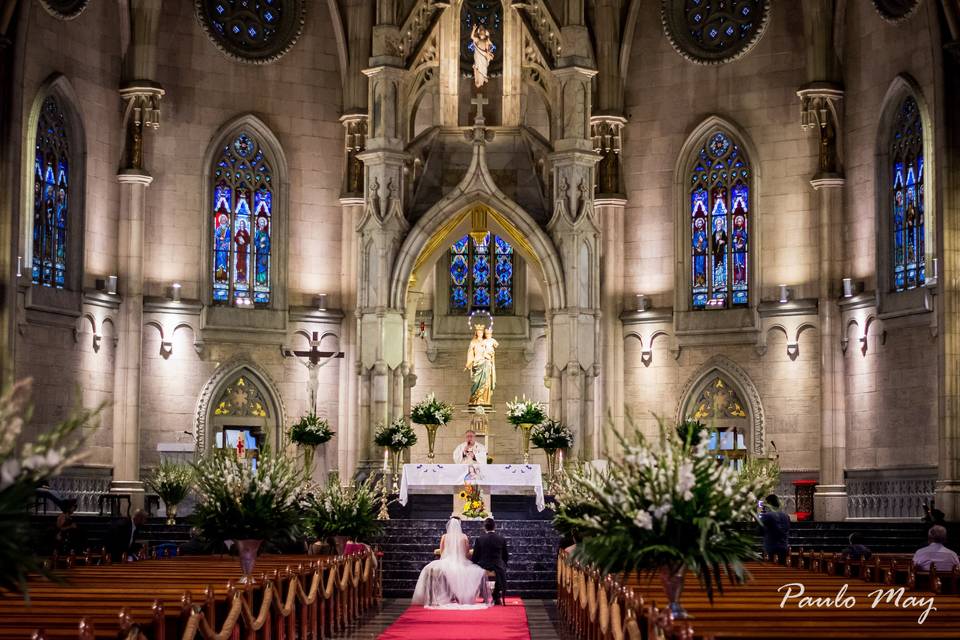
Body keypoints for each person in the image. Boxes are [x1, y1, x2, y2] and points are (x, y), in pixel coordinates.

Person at [411, 517, 492, 608]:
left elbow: (442, 553)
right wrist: (467, 560)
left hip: (446, 561)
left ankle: (435, 597)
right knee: (475, 571)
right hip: (461, 562)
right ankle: (461, 596)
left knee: (430, 569)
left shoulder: (444, 537)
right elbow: (467, 553)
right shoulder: (464, 536)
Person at [472, 518, 509, 605]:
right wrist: (504, 563)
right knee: (501, 570)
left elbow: (475, 557)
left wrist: (474, 563)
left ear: (484, 527)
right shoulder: (501, 539)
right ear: (494, 527)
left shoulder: (480, 539)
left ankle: (485, 596)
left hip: (484, 565)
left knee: (476, 571)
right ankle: (496, 596)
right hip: (497, 565)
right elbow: (505, 556)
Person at [756, 494, 790, 564]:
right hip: (784, 546)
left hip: (770, 547)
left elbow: (759, 531)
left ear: (770, 503)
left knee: (770, 570)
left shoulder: (766, 516)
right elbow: (787, 529)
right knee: (783, 568)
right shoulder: (786, 516)